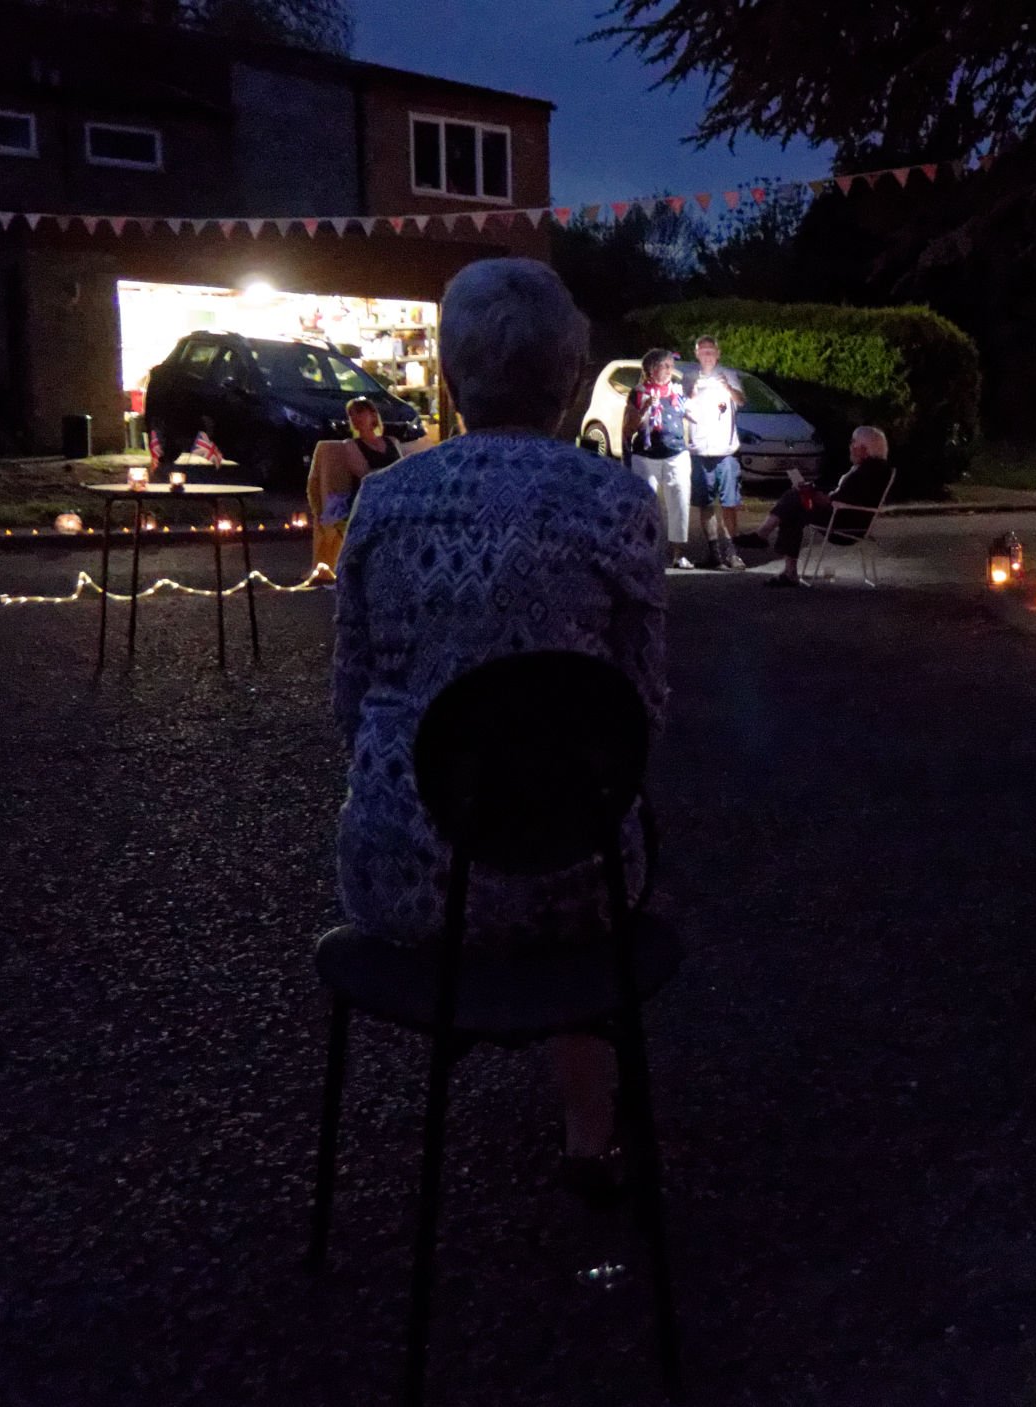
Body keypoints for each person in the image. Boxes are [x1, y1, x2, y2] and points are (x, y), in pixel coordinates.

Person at [331, 258, 667, 1202]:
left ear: (450, 378)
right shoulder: (619, 505)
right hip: (578, 875)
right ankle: (589, 1134)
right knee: (582, 829)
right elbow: (642, 714)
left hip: (408, 876)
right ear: (569, 379)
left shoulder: (385, 501)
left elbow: (349, 704)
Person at [742, 425, 896, 587]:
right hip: (850, 519)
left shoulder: (867, 471)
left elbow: (839, 500)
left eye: (853, 443)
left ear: (865, 448)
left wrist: (815, 495)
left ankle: (768, 542)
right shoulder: (875, 469)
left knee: (794, 499)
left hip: (844, 523)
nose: (850, 447)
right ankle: (781, 561)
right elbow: (848, 497)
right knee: (794, 505)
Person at [306, 396, 403, 571]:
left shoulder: (392, 442)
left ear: (373, 415)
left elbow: (403, 470)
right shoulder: (351, 445)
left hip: (394, 493)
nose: (355, 418)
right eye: (351, 415)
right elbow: (365, 474)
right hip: (367, 497)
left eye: (360, 413)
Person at [622, 348, 696, 569]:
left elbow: (692, 415)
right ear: (652, 369)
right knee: (646, 505)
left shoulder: (677, 391)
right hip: (646, 457)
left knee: (680, 502)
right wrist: (646, 406)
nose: (670, 371)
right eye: (666, 366)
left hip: (677, 454)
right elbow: (629, 428)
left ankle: (678, 554)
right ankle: (645, 551)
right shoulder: (638, 392)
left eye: (671, 366)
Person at [684, 336, 747, 569]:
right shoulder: (690, 377)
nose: (707, 355)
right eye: (703, 351)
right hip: (700, 449)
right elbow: (682, 407)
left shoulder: (728, 374)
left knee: (729, 502)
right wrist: (690, 395)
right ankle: (714, 552)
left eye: (711, 351)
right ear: (697, 354)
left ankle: (732, 552)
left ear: (718, 353)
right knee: (705, 503)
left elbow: (741, 401)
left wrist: (728, 388)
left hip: (726, 450)